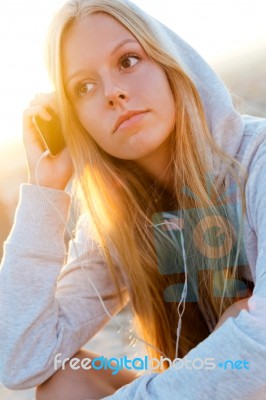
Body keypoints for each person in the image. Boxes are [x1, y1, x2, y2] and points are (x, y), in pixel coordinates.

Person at [0, 0, 265, 398]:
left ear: (169, 62)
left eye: (127, 61)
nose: (113, 93)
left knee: (241, 317)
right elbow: (20, 360)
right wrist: (45, 193)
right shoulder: (115, 220)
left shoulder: (256, 159)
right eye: (84, 87)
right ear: (76, 120)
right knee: (66, 381)